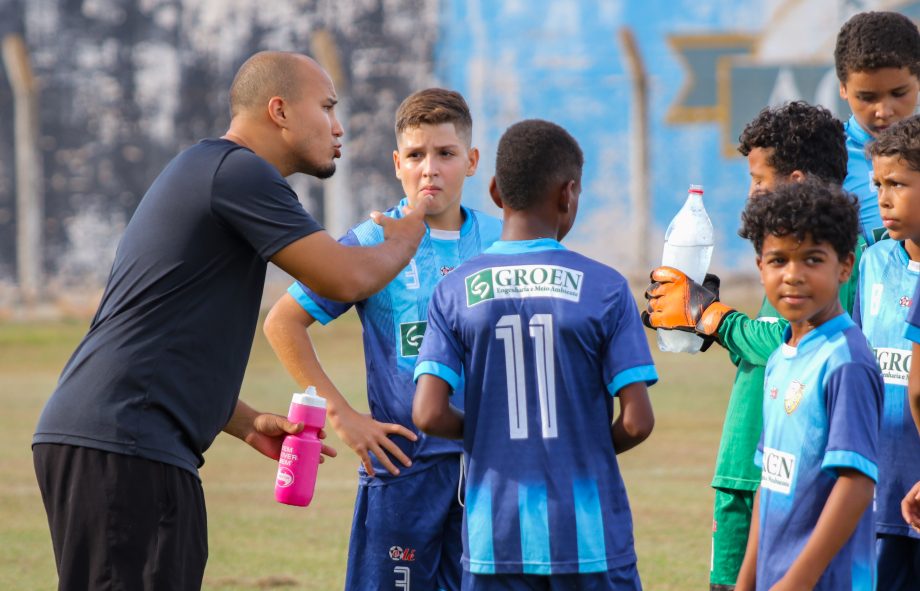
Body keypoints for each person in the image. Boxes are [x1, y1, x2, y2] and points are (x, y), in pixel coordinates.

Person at [31, 51, 433, 590]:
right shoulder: (238, 172)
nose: (339, 128)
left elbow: (159, 332)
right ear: (280, 110)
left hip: (114, 438)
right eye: (328, 108)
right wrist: (408, 238)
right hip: (126, 445)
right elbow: (343, 279)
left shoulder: (213, 170)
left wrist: (242, 421)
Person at [263, 88, 501, 591]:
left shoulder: (501, 245)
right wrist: (342, 417)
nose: (429, 169)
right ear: (398, 164)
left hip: (491, 472)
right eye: (416, 155)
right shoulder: (370, 242)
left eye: (446, 154)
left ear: (472, 161)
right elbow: (283, 323)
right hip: (402, 469)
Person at [413, 119, 657, 590]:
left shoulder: (454, 288)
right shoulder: (605, 287)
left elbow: (427, 413)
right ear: (568, 194)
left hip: (493, 541)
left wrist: (492, 432)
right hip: (590, 540)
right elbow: (637, 422)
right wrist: (577, 443)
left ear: (495, 192)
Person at [641, 101, 851, 591]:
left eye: (758, 179)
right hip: (745, 466)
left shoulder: (829, 260)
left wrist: (710, 316)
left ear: (796, 181)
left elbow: (790, 342)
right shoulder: (789, 259)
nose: (751, 192)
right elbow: (763, 345)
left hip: (777, 471)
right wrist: (710, 325)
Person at [732, 180, 882, 590]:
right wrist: (747, 581)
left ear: (845, 266)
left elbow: (856, 483)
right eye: (778, 260)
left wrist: (797, 580)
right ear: (760, 266)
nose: (793, 275)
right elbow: (771, 479)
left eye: (812, 259)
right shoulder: (781, 357)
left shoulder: (846, 361)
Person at [860, 115, 920, 588]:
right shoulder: (874, 261)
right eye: (877, 183)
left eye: (897, 183)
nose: (882, 198)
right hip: (882, 485)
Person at [835, 10, 920, 245]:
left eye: (898, 93)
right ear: (843, 87)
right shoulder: (828, 160)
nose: (883, 111)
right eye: (867, 97)